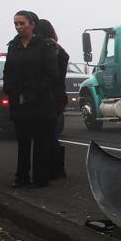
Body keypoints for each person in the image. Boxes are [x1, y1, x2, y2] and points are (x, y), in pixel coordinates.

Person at [3, 10, 59, 188]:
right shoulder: (13, 46)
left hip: (40, 102)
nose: (18, 27)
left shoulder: (45, 46)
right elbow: (8, 71)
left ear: (32, 24)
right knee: (23, 141)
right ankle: (21, 177)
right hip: (19, 102)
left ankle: (40, 178)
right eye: (16, 24)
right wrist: (11, 91)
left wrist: (33, 92)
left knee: (41, 141)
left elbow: (51, 74)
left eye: (22, 23)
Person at [33, 19, 68, 180]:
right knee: (52, 132)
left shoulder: (46, 50)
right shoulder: (61, 51)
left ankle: (53, 168)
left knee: (45, 134)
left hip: (48, 96)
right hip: (60, 96)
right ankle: (58, 168)